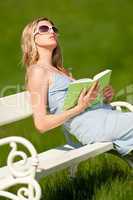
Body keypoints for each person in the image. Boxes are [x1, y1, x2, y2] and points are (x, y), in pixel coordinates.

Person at [21, 16, 133, 159]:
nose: (52, 31)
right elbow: (41, 124)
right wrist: (78, 108)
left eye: (53, 29)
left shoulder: (61, 71)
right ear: (32, 38)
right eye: (44, 29)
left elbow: (80, 103)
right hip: (92, 126)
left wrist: (102, 98)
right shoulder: (37, 71)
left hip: (104, 116)